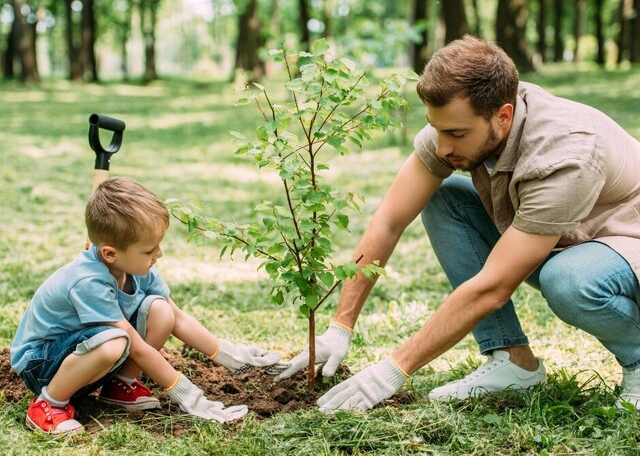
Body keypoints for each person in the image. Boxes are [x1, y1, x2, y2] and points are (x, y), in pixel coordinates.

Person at [276, 35, 640, 413]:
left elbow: (493, 288)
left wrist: (391, 371)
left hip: (625, 241)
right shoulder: (458, 125)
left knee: (568, 279)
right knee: (442, 195)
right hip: (563, 236)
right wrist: (341, 326)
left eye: (457, 134)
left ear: (503, 116)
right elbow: (389, 219)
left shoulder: (566, 155)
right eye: (437, 129)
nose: (443, 146)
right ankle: (513, 362)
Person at [11, 177, 281, 435]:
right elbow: (137, 348)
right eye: (149, 250)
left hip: (82, 355)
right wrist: (189, 395)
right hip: (42, 365)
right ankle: (49, 404)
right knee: (115, 342)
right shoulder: (88, 282)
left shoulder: (135, 267)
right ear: (110, 253)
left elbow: (177, 318)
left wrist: (228, 355)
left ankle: (119, 386)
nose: (158, 254)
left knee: (161, 311)